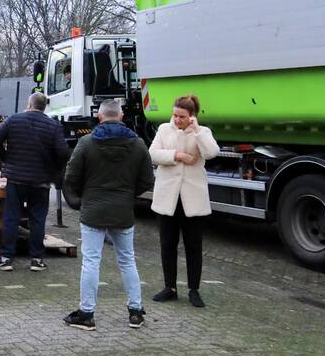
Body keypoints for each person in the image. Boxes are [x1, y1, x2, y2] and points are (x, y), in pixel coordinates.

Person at [62, 99, 155, 331]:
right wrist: (128, 195)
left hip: (93, 209)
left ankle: (86, 313)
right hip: (123, 210)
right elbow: (147, 180)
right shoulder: (138, 144)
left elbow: (71, 176)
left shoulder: (86, 142)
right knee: (127, 260)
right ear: (121, 117)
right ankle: (135, 311)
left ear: (100, 117)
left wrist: (84, 197)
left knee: (91, 262)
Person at [149, 94, 220, 308]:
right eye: (175, 115)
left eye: (182, 116)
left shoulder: (202, 132)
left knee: (193, 246)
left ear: (192, 116)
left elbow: (212, 152)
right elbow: (153, 153)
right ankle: (170, 287)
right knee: (167, 244)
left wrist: (197, 132)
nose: (177, 119)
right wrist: (177, 156)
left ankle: (194, 289)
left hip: (192, 198)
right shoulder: (163, 129)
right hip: (168, 197)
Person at [0, 92, 71, 272]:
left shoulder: (14, 120)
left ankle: (5, 258)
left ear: (29, 104)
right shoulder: (53, 125)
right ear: (45, 107)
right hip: (40, 180)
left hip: (16, 178)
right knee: (37, 219)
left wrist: (6, 159)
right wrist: (52, 170)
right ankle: (36, 259)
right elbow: (64, 153)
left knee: (11, 217)